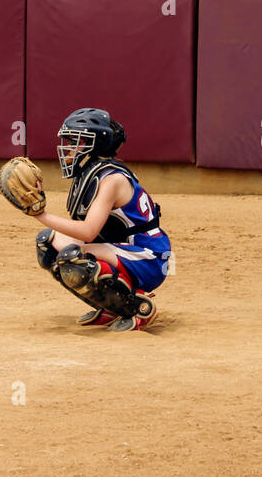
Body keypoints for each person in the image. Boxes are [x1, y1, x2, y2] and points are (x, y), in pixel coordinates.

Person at [32, 108, 171, 332]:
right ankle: (110, 306)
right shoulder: (91, 174)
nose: (68, 147)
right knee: (48, 244)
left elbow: (87, 232)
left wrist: (40, 215)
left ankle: (135, 307)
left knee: (73, 258)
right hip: (126, 250)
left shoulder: (112, 179)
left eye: (75, 141)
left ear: (96, 143)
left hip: (151, 257)